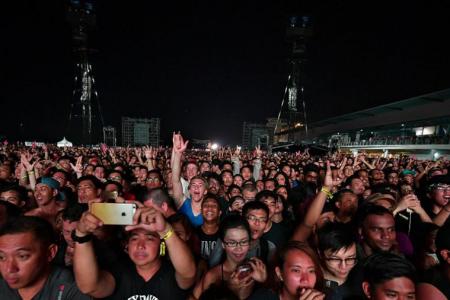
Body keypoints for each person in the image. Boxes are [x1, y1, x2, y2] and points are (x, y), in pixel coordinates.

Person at [72, 204, 196, 299]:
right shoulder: (119, 272)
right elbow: (89, 286)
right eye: (134, 238)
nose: (140, 246)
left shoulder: (172, 273)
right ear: (127, 245)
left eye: (150, 238)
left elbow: (188, 273)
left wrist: (165, 230)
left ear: (161, 244)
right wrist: (82, 234)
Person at [0, 216, 90, 299]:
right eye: (1, 257)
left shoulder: (71, 288)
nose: (9, 269)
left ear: (50, 253)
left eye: (22, 256)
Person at [192, 214, 267, 300]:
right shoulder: (213, 276)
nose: (239, 248)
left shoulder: (258, 269)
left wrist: (263, 282)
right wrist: (230, 290)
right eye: (232, 243)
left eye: (243, 242)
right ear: (223, 244)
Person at [249, 241, 325, 300]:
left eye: (311, 271)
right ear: (279, 273)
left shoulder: (328, 296)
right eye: (296, 270)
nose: (305, 279)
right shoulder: (262, 297)